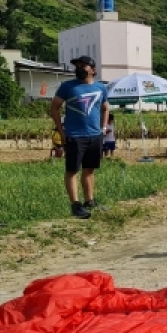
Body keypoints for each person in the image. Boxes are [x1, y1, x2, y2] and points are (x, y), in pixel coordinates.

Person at [50, 55, 110, 219]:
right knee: (72, 170)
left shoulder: (101, 88)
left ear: (93, 70)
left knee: (89, 170)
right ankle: (75, 205)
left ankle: (89, 201)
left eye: (84, 66)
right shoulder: (67, 87)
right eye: (77, 66)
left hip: (94, 135)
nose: (79, 68)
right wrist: (62, 131)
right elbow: (54, 108)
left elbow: (106, 108)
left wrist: (103, 128)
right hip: (74, 136)